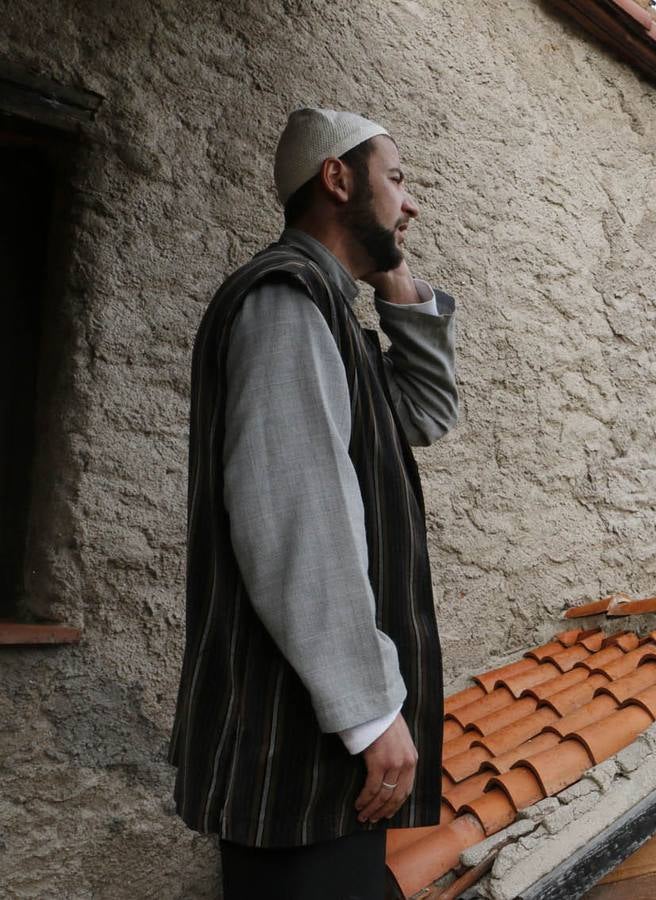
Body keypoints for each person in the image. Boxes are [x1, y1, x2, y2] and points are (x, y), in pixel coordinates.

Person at [168, 108, 459, 899]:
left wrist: (395, 278)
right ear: (337, 178)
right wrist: (369, 713)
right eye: (395, 180)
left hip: (319, 751)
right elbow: (295, 521)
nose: (411, 204)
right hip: (297, 746)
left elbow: (426, 415)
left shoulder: (333, 314)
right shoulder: (287, 301)